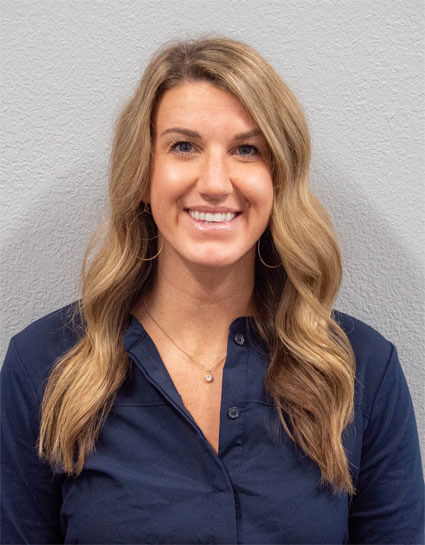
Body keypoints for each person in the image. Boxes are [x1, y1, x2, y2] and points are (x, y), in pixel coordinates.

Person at [1, 37, 423, 545]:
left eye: (247, 150)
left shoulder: (361, 372)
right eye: (184, 146)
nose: (216, 182)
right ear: (142, 174)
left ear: (279, 178)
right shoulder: (44, 366)